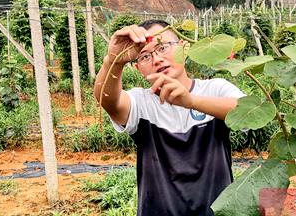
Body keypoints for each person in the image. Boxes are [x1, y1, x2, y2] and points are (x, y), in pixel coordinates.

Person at [94, 20, 244, 216]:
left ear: (183, 47)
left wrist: (190, 101)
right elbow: (107, 101)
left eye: (162, 47)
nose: (157, 59)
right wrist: (113, 60)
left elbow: (246, 111)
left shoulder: (215, 89)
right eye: (145, 56)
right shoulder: (141, 103)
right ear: (138, 68)